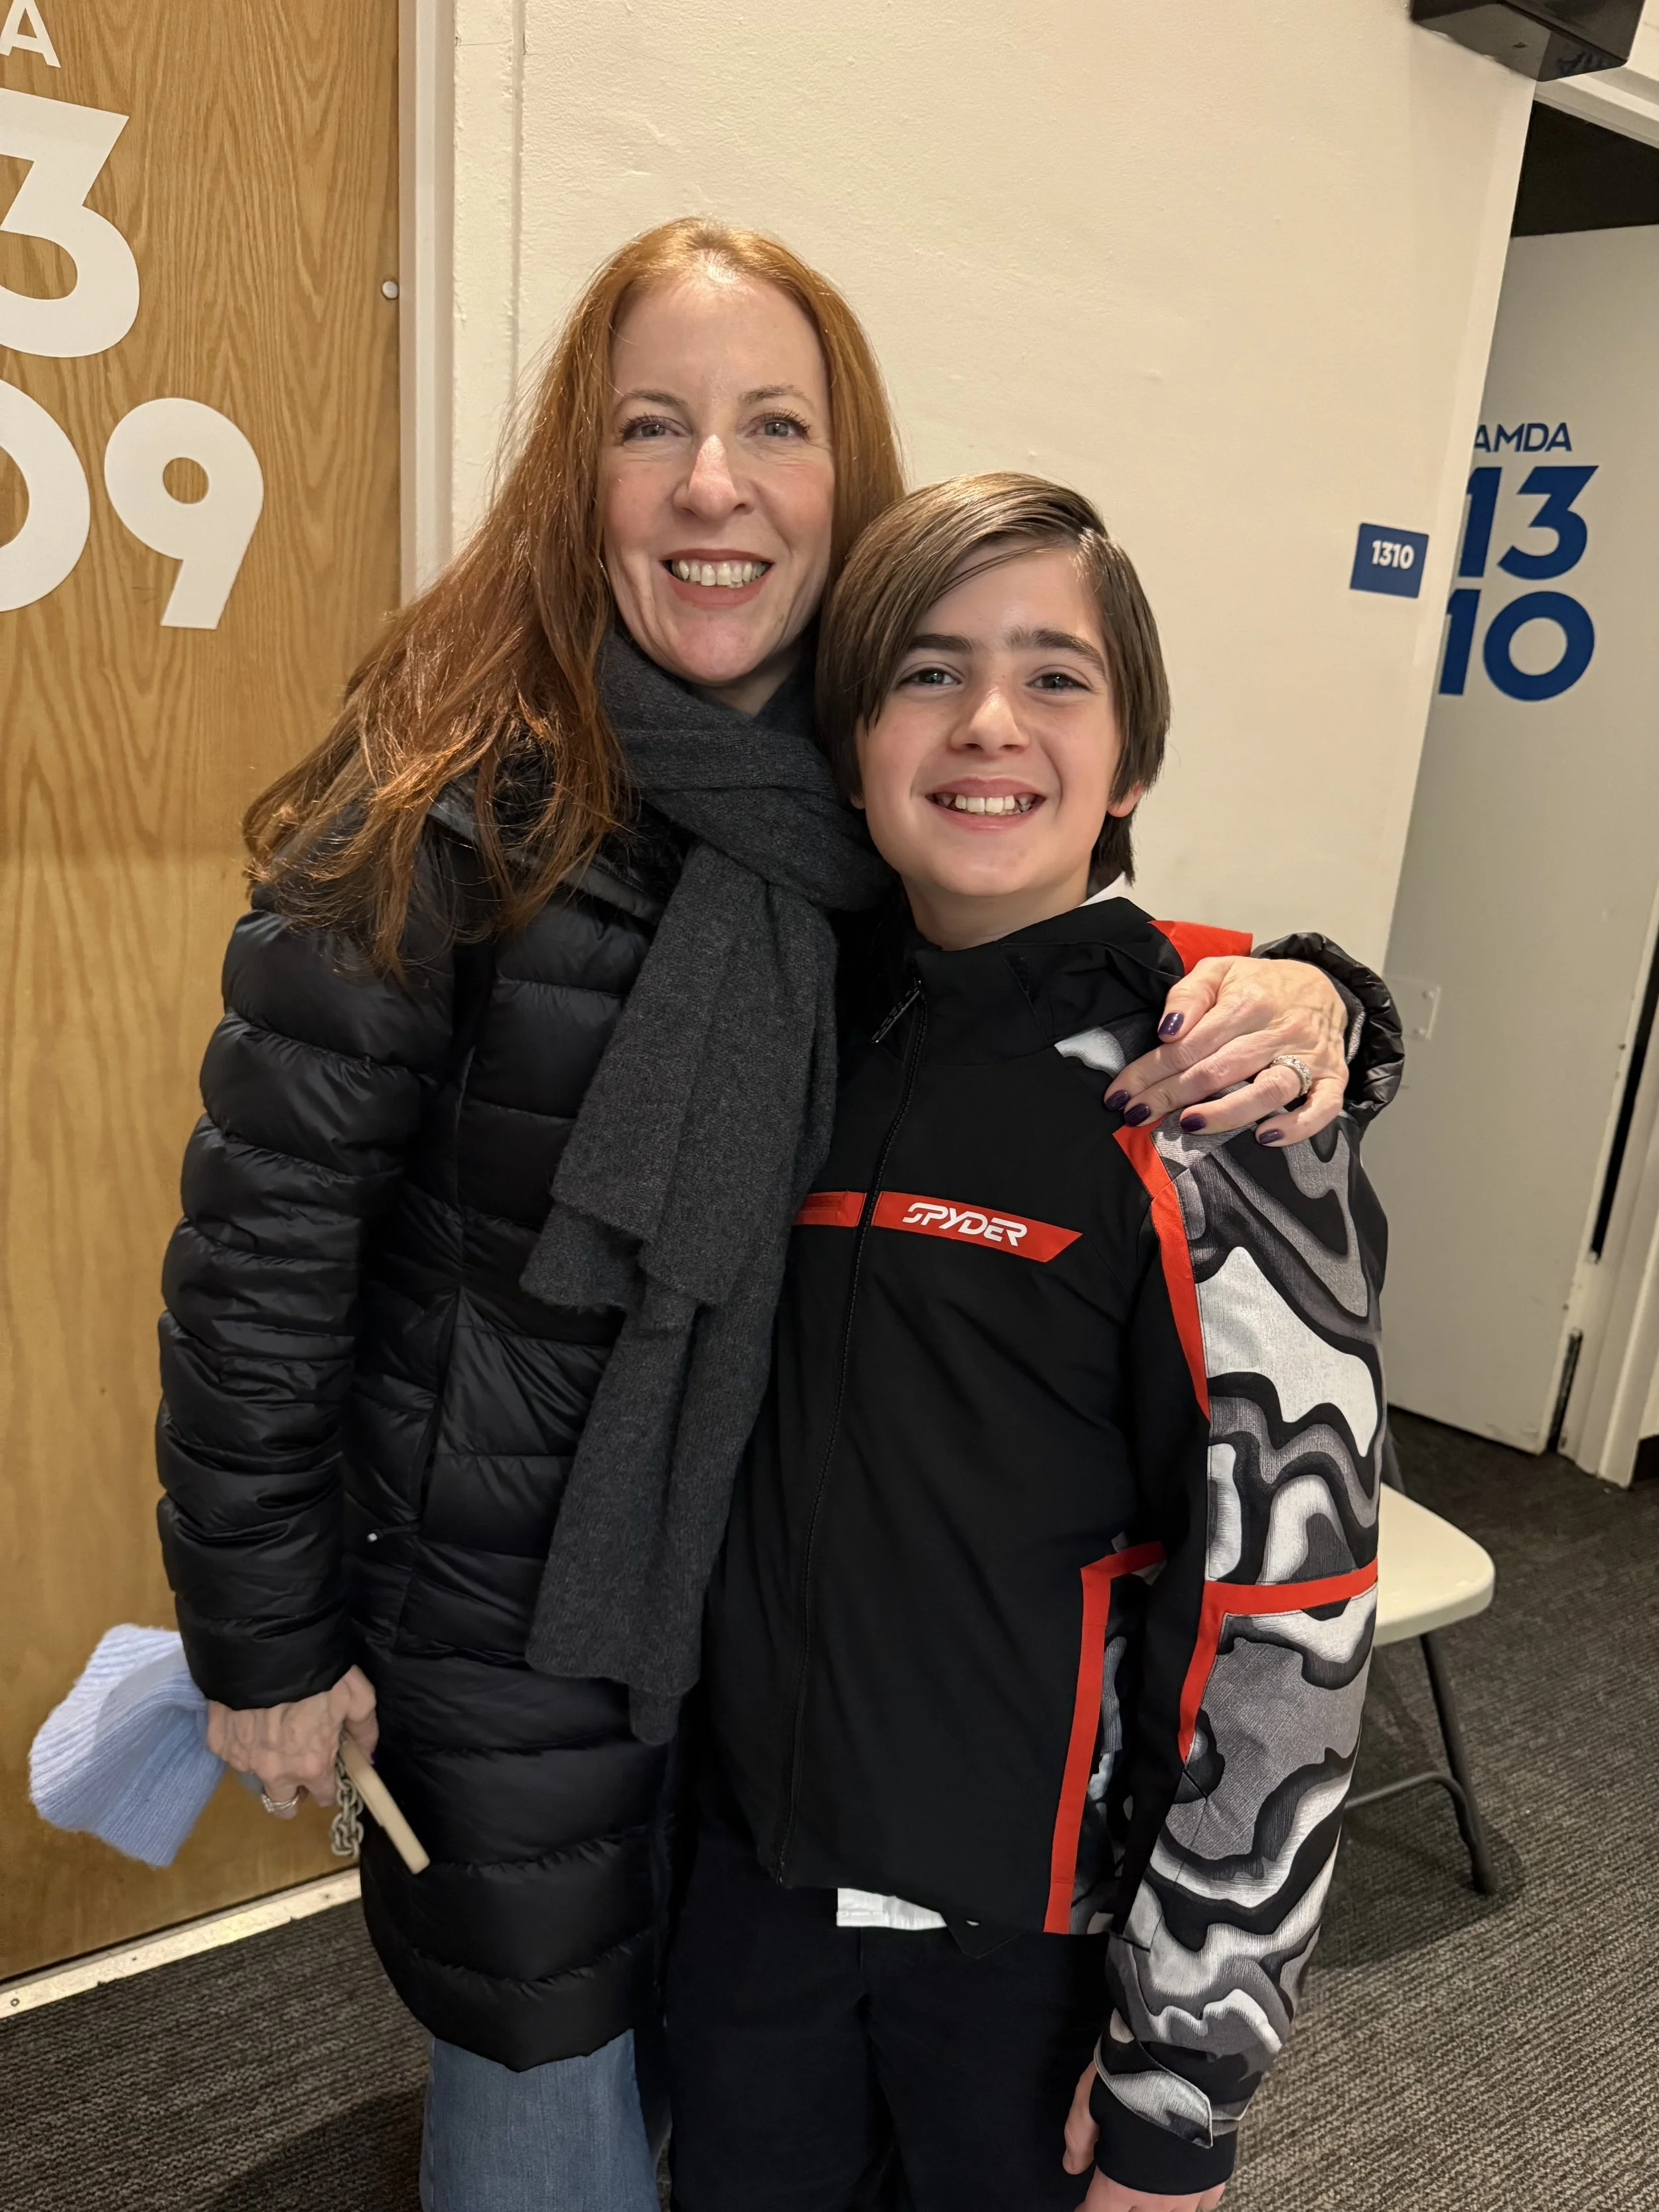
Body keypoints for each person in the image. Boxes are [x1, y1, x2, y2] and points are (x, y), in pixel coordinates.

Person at [155, 224, 1396, 2211]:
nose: (712, 480)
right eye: (651, 426)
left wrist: (1326, 997)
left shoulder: (844, 852)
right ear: (582, 478)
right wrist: (263, 1628)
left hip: (791, 1718)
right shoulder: (437, 807)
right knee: (554, 2110)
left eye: (771, 426)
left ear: (848, 487)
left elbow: (1063, 977)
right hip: (511, 1655)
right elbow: (258, 1268)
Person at [674, 475, 1387, 2212]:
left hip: (1027, 1961)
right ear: (849, 747)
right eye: (925, 671)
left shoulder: (1214, 1098)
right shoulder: (782, 1030)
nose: (988, 721)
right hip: (749, 1910)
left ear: (1129, 759)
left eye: (1054, 675)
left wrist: (1180, 2072)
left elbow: (1289, 1625)